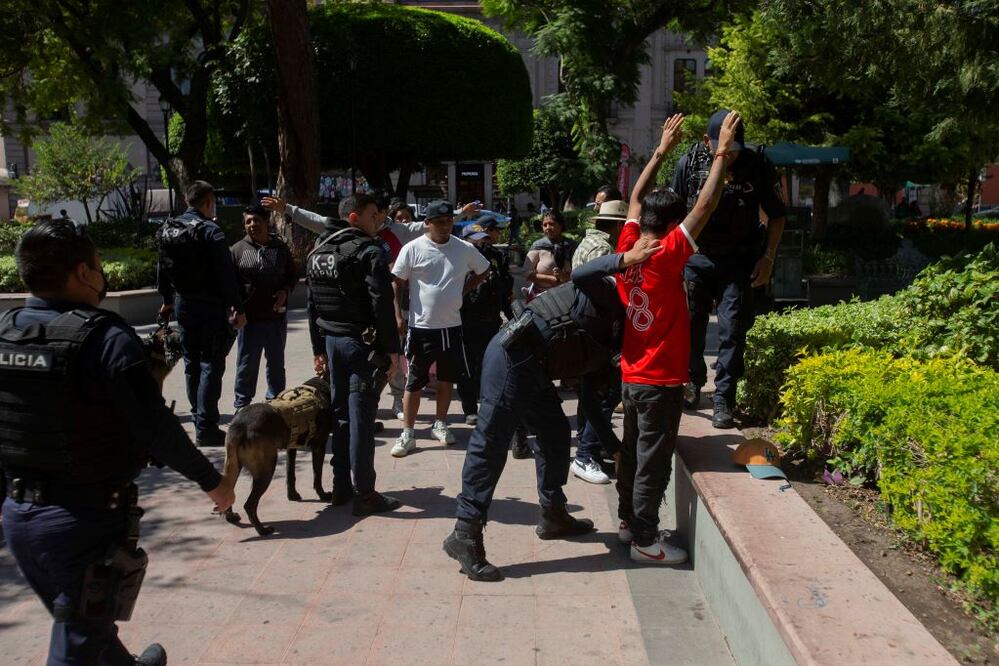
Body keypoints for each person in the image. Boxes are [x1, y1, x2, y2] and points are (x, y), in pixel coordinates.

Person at [0, 218, 234, 665]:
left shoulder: (5, 330)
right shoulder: (105, 339)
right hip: (84, 522)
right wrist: (213, 482)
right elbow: (155, 427)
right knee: (78, 638)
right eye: (98, 265)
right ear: (83, 272)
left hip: (19, 519)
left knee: (87, 622)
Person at [442, 238, 662, 581]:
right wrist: (625, 259)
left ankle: (553, 514)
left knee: (556, 432)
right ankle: (465, 533)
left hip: (537, 369)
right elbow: (583, 273)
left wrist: (615, 449)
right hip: (511, 357)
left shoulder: (622, 329)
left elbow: (590, 401)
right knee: (491, 443)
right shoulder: (605, 290)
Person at [615, 112, 741, 564]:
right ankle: (645, 542)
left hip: (632, 377)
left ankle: (628, 522)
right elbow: (704, 207)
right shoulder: (667, 254)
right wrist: (721, 152)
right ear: (671, 226)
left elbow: (634, 198)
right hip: (660, 381)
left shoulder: (627, 248)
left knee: (633, 454)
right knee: (652, 461)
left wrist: (660, 152)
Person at [671, 109, 787, 428]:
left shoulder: (757, 164)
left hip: (738, 259)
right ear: (706, 140)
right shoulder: (689, 164)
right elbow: (673, 216)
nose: (730, 155)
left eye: (735, 149)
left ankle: (724, 397)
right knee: (690, 325)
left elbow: (777, 216)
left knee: (732, 329)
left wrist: (768, 258)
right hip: (696, 258)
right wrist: (671, 262)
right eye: (724, 147)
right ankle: (692, 381)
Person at [304, 193, 402, 515]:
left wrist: (318, 349)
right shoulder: (368, 251)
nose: (379, 221)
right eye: (374, 215)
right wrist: (392, 350)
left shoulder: (319, 250)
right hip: (361, 347)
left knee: (342, 416)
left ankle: (341, 487)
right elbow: (381, 303)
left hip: (332, 343)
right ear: (354, 217)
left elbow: (312, 305)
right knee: (361, 419)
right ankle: (366, 495)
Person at [390, 200, 491, 456]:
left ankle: (440, 423)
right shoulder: (413, 248)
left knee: (447, 379)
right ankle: (408, 433)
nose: (445, 226)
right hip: (421, 327)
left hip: (451, 327)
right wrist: (398, 316)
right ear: (427, 223)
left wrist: (462, 291)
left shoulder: (464, 248)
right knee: (414, 382)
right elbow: (397, 282)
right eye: (439, 222)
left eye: (448, 222)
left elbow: (484, 270)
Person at [157, 180, 246, 446]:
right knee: (211, 363)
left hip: (183, 304)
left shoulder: (169, 228)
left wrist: (167, 300)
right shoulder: (210, 230)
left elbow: (162, 267)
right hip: (209, 306)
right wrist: (238, 307)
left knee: (191, 361)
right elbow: (225, 273)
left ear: (188, 200)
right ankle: (206, 428)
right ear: (208, 203)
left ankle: (199, 417)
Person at [569, 199, 630, 484]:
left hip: (585, 327)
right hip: (598, 329)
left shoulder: (586, 242)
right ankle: (586, 454)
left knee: (589, 397)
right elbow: (607, 291)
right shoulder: (604, 249)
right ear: (618, 226)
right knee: (604, 395)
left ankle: (589, 448)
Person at [230, 203, 298, 410]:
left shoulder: (280, 248)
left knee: (276, 365)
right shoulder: (237, 250)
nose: (252, 224)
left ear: (266, 222)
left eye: (256, 220)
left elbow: (292, 275)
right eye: (248, 221)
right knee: (246, 366)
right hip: (249, 321)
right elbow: (229, 284)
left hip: (275, 319)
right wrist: (234, 309)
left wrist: (285, 291)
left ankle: (275, 404)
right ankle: (242, 405)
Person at [455, 218, 514, 425]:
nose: (481, 243)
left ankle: (489, 406)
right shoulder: (458, 259)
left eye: (483, 239)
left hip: (491, 321)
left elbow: (504, 288)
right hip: (466, 322)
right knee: (467, 369)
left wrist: (511, 316)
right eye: (476, 240)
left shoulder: (495, 256)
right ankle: (470, 409)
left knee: (490, 366)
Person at [379, 198, 430, 420]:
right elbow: (319, 221)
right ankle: (369, 402)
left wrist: (398, 313)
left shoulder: (399, 234)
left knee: (399, 354)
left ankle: (399, 400)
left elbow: (432, 222)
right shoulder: (357, 235)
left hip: (402, 305)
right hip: (371, 309)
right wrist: (289, 210)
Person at [524, 210, 576, 300]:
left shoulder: (571, 246)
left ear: (561, 225)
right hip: (541, 297)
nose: (547, 228)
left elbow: (579, 271)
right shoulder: (538, 245)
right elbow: (526, 272)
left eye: (551, 224)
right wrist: (550, 279)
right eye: (545, 225)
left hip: (567, 296)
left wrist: (563, 276)